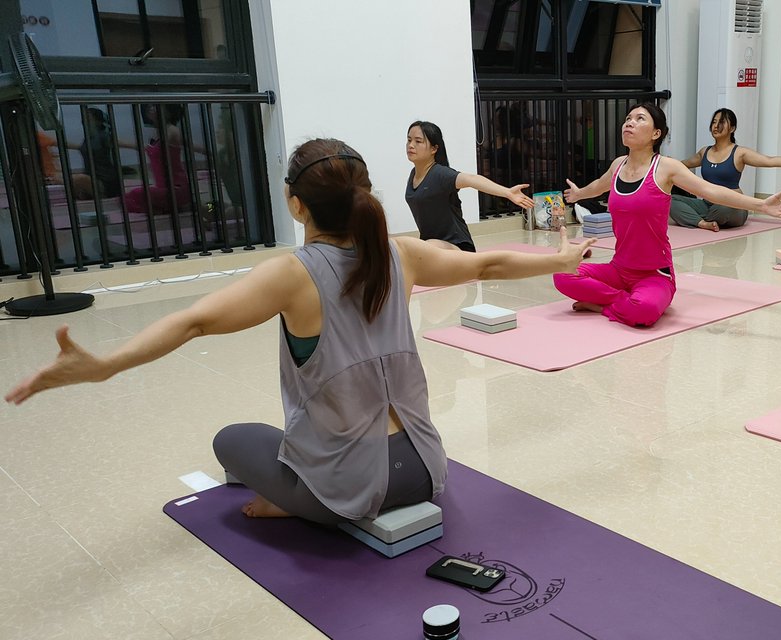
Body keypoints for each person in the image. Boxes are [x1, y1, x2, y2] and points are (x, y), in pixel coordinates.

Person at [5, 138, 595, 523]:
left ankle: (297, 506)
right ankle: (300, 497)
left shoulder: (292, 274)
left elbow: (191, 322)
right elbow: (487, 263)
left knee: (233, 439)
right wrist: (561, 260)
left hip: (350, 492)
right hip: (425, 471)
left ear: (295, 205)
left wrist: (105, 364)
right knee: (280, 439)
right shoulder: (402, 255)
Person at [553, 102, 781, 327]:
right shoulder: (618, 165)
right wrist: (578, 194)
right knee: (560, 274)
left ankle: (604, 304)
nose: (629, 122)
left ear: (655, 134)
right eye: (628, 118)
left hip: (655, 274)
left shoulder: (666, 167)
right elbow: (599, 184)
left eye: (640, 119)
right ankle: (621, 302)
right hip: (619, 269)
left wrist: (760, 205)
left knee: (645, 311)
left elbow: (710, 190)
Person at [671, 108, 781, 231]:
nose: (716, 126)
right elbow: (679, 166)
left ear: (732, 128)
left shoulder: (739, 153)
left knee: (723, 208)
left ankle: (699, 219)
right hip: (707, 203)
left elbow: (769, 160)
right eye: (714, 122)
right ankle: (702, 223)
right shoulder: (704, 152)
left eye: (722, 122)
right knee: (669, 201)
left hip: (732, 206)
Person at [405, 120, 534, 252]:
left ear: (434, 148)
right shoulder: (414, 174)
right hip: (431, 245)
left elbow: (472, 179)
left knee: (423, 247)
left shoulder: (440, 174)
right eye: (409, 140)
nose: (411, 145)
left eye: (418, 141)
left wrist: (507, 192)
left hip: (458, 246)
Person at [123, 104, 193, 213]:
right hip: (163, 188)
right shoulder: (160, 132)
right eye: (151, 106)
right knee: (128, 199)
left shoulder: (172, 130)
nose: (150, 108)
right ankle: (168, 208)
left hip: (176, 188)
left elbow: (188, 145)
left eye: (155, 107)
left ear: (168, 112)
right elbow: (148, 148)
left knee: (132, 197)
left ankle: (175, 207)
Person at [71, 107, 123, 200]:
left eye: (88, 118)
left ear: (98, 122)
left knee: (78, 179)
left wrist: (139, 146)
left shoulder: (103, 135)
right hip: (93, 178)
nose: (84, 120)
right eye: (83, 117)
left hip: (106, 181)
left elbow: (117, 142)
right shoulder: (88, 138)